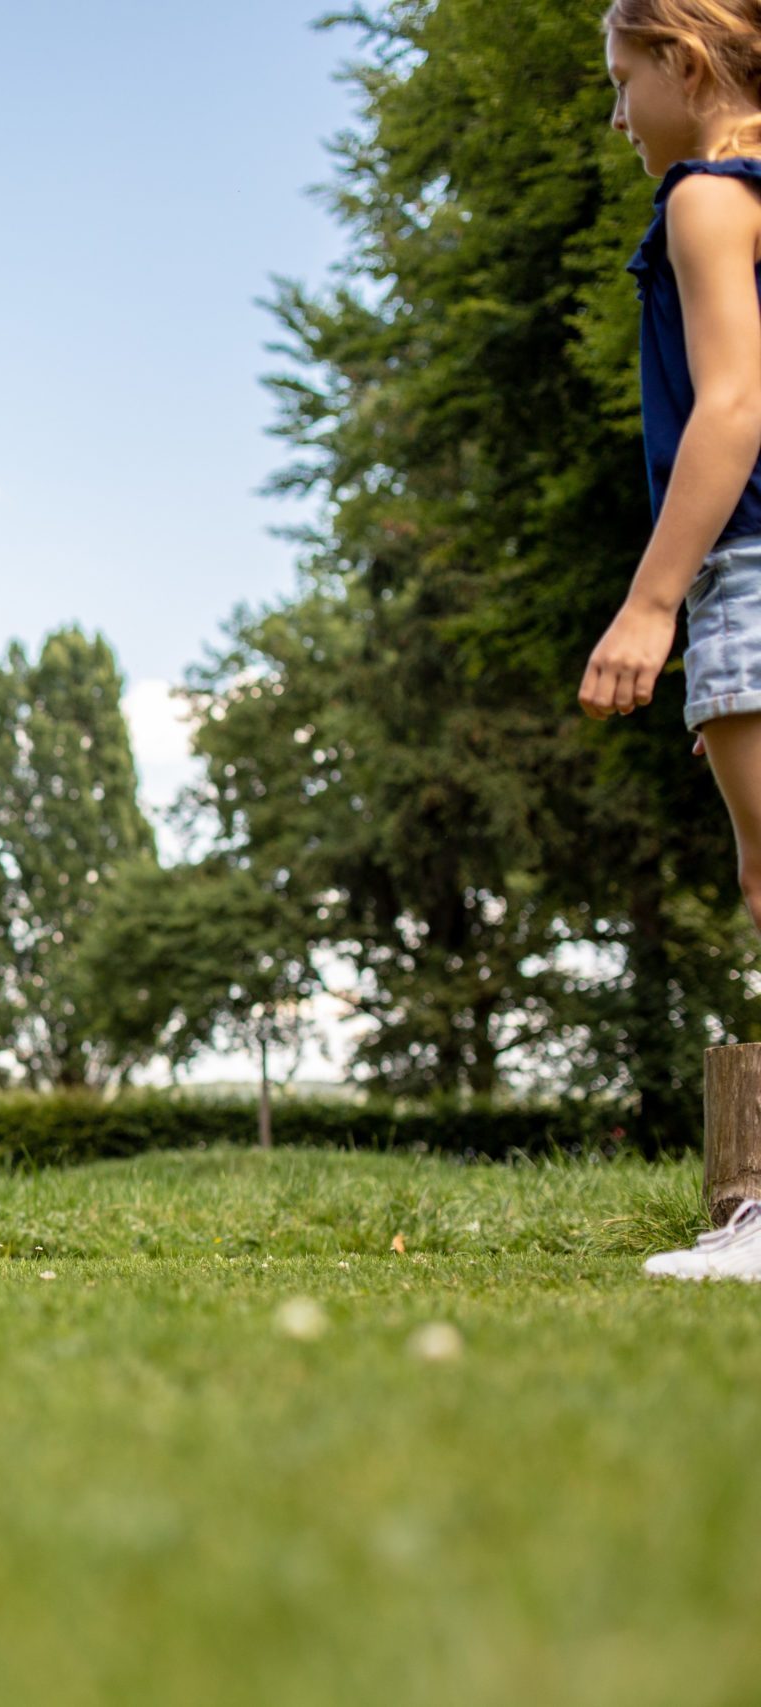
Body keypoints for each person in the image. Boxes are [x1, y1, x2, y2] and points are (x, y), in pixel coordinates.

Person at [585, 0, 761, 1281]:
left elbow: (731, 410)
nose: (615, 114)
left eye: (621, 80)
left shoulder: (708, 195)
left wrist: (651, 604)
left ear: (681, 63)